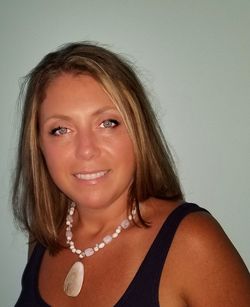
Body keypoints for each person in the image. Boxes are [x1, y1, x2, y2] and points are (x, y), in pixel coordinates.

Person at [13, 42, 249, 307]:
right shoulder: (44, 236)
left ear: (139, 131)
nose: (86, 151)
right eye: (61, 130)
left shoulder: (191, 243)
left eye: (108, 123)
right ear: (39, 145)